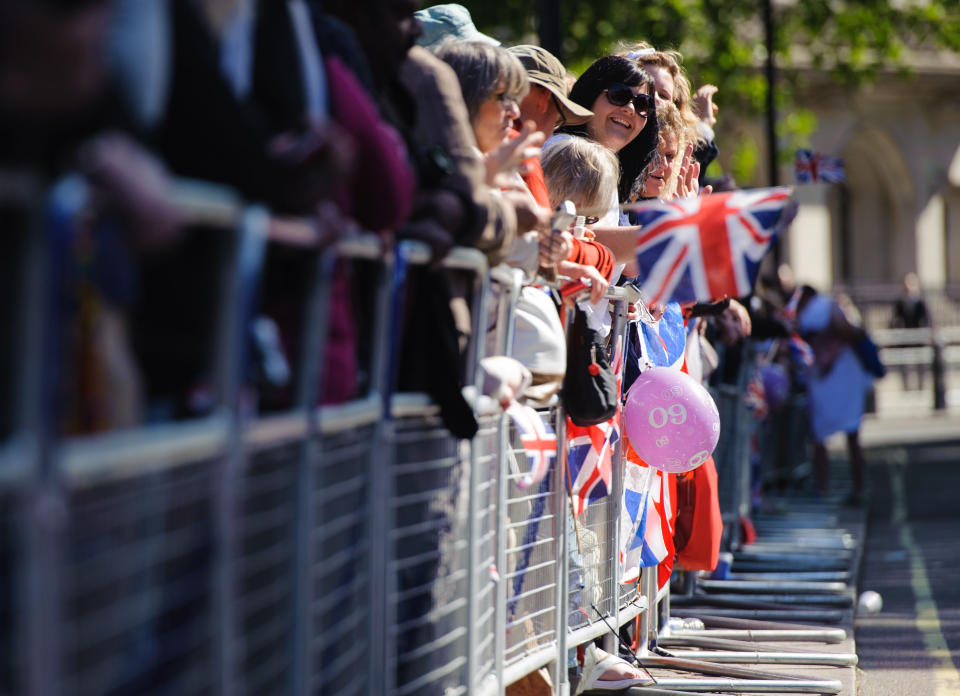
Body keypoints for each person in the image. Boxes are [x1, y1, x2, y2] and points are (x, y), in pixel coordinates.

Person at [555, 55, 659, 262]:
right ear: (590, 94)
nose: (630, 108)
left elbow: (623, 263)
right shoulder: (570, 152)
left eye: (642, 103)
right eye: (619, 95)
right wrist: (669, 231)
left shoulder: (610, 169)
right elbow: (582, 241)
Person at [795, 285, 872, 505]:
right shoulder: (825, 309)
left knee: (835, 436)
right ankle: (847, 488)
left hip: (835, 375)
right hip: (830, 377)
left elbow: (850, 331)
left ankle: (831, 488)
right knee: (841, 435)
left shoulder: (822, 308)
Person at [890, 271, 929, 390]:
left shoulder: (921, 301)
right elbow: (894, 318)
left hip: (918, 335)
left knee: (920, 360)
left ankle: (921, 384)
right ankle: (906, 385)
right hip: (905, 335)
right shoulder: (900, 301)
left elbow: (927, 318)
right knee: (904, 360)